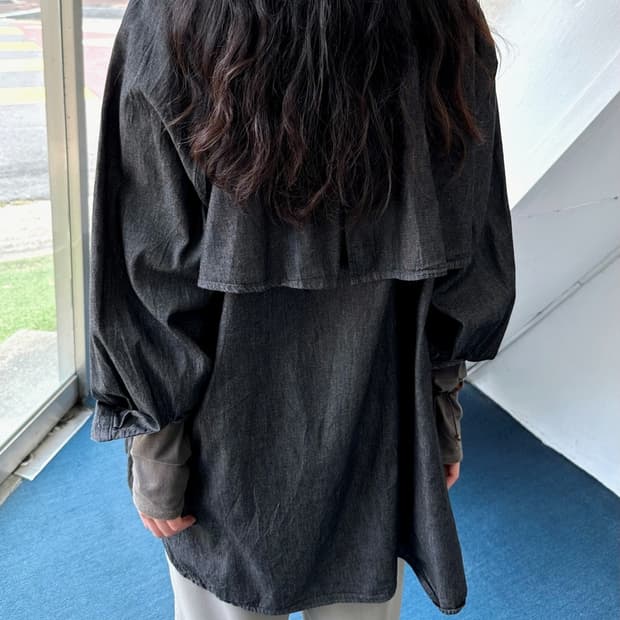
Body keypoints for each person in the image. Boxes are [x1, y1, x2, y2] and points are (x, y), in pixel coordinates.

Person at [88, 1, 515, 619]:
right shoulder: (441, 13)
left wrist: (158, 450)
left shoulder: (174, 13)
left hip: (223, 440)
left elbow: (148, 257)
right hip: (380, 422)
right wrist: (440, 410)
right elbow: (467, 235)